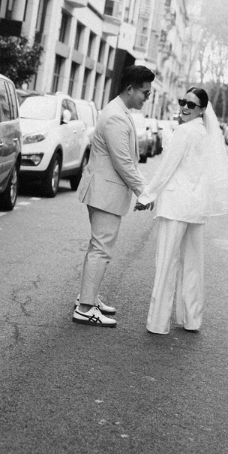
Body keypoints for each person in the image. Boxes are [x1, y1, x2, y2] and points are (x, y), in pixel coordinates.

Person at [136, 87, 228, 334]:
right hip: (196, 208)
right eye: (183, 102)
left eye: (191, 104)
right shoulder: (205, 133)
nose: (185, 107)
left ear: (201, 109)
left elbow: (167, 167)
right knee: (193, 266)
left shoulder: (183, 131)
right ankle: (192, 319)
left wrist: (147, 195)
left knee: (166, 264)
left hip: (176, 206)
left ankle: (158, 322)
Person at [73, 65, 155, 327]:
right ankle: (85, 308)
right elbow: (124, 163)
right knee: (101, 248)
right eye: (145, 92)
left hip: (103, 191)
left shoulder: (120, 111)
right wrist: (144, 192)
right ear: (130, 89)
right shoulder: (117, 117)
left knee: (97, 246)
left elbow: (126, 160)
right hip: (105, 193)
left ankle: (88, 297)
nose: (146, 98)